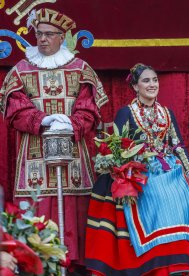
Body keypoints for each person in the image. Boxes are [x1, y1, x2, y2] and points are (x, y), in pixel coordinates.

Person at [85, 63, 189, 275]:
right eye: (146, 81)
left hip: (170, 168)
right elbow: (118, 148)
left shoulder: (166, 113)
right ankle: (163, 266)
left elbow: (178, 145)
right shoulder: (126, 113)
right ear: (135, 86)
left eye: (154, 80)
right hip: (142, 171)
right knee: (161, 199)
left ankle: (185, 262)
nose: (152, 84)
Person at [0, 8, 108, 265]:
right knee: (36, 208)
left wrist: (72, 123)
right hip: (33, 154)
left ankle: (74, 264)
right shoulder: (20, 70)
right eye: (39, 34)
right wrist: (43, 120)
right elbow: (13, 108)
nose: (42, 39)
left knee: (74, 206)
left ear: (62, 36)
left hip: (73, 153)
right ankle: (34, 263)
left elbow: (90, 108)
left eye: (49, 34)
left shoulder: (81, 69)